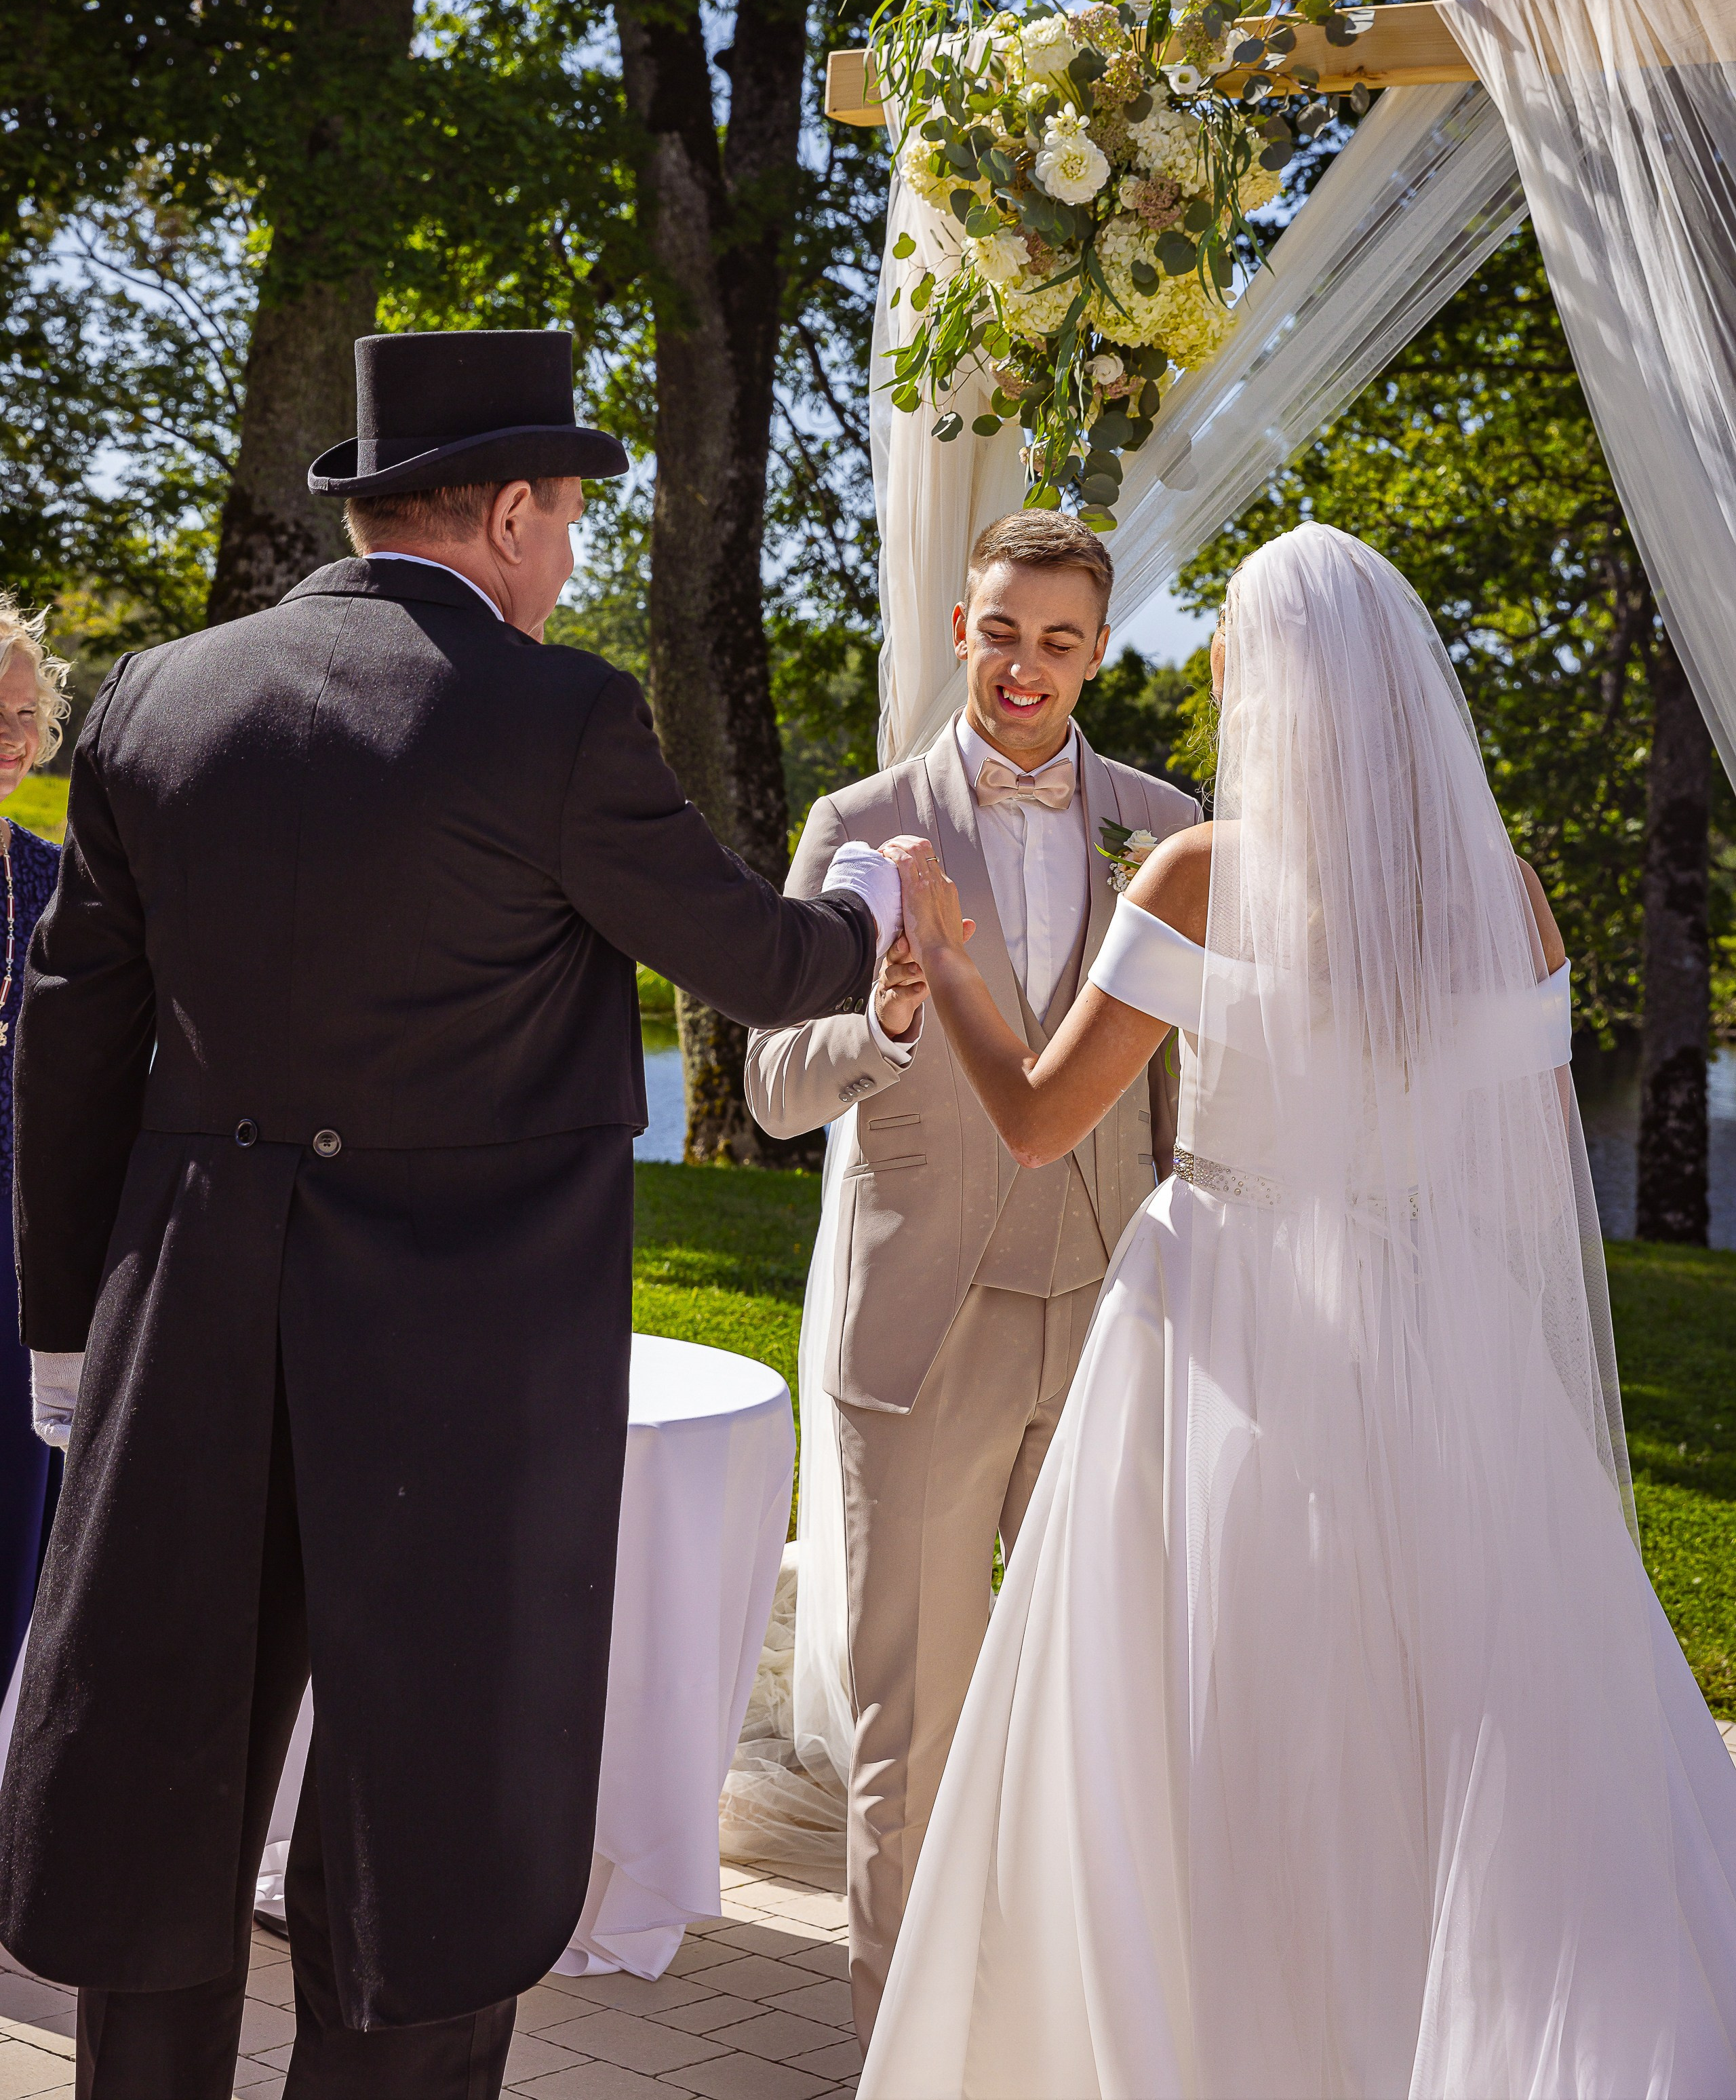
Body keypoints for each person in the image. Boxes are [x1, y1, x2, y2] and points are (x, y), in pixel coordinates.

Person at [0, 329, 887, 2100]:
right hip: (454, 1369)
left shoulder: (156, 698)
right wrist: (867, 907)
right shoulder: (557, 714)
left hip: (189, 1334)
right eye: (563, 522)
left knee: (166, 1793)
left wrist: (59, 1338)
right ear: (504, 510)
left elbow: (73, 1033)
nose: (566, 560)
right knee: (435, 1815)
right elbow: (751, 953)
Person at [863, 522, 1736, 2099]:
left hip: (1221, 1318)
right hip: (1434, 1324)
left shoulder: (1200, 871)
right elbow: (1532, 1163)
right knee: (1447, 1709)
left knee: (1200, 1713)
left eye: (1223, 676)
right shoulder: (1511, 896)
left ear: (1273, 691)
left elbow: (1044, 1119)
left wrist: (952, 963)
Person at [745, 509, 1198, 2044]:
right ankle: (899, 2056)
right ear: (960, 629)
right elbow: (769, 1087)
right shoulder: (861, 820)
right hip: (920, 1337)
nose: (1026, 666)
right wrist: (875, 1024)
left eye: (1060, 639)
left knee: (1113, 1714)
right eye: (1002, 631)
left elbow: (1179, 1094)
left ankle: (1078, 2040)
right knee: (914, 1734)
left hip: (1116, 1319)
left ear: (1097, 648)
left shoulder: (1163, 818)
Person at [0, 602, 69, 1686]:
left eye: (25, 714)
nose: (13, 737)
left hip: (22, 1248)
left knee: (19, 1524)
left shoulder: (55, 877)